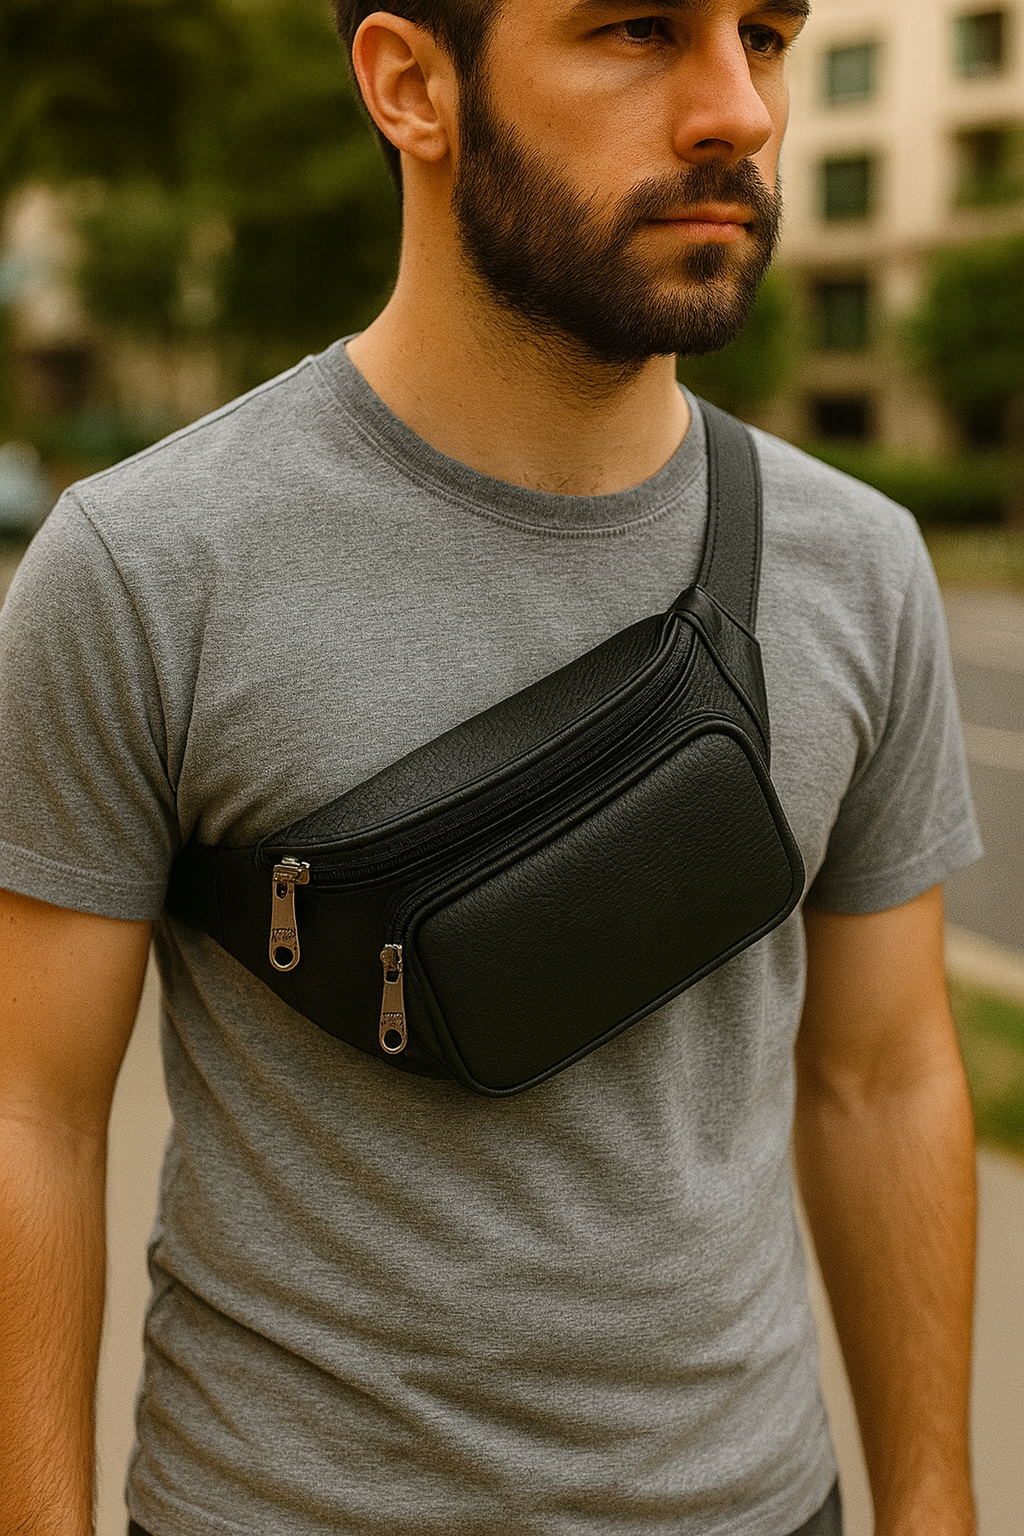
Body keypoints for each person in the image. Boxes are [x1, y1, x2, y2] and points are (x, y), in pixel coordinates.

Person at [0, 2, 981, 1533]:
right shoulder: (144, 568)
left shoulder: (861, 562)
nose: (742, 111)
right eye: (640, 29)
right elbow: (31, 1115)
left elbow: (886, 1077)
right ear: (412, 86)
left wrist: (936, 1509)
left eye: (768, 34)